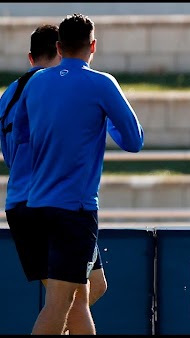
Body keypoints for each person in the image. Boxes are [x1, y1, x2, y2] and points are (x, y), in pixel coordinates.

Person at [13, 13, 144, 335]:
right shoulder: (101, 83)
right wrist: (102, 117)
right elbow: (133, 141)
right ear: (93, 46)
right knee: (59, 303)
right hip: (75, 209)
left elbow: (21, 140)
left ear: (59, 46)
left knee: (81, 297)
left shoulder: (36, 83)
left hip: (36, 205)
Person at [0, 23, 110, 334]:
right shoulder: (51, 87)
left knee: (94, 286)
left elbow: (10, 153)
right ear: (62, 50)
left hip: (23, 200)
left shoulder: (11, 92)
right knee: (71, 301)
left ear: (30, 56)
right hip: (51, 203)